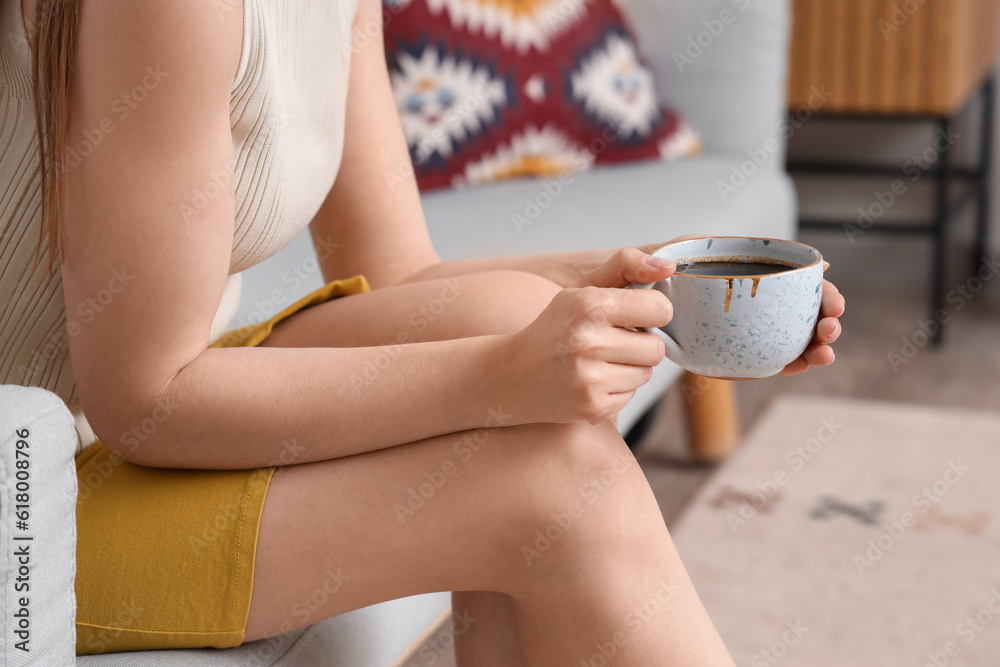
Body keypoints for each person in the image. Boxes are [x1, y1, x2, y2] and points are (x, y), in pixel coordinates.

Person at [0, 0, 844, 663]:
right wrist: (504, 376)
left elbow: (401, 272)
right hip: (25, 485)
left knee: (510, 312)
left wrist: (625, 284)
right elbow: (146, 400)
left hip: (102, 419)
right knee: (547, 486)